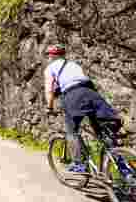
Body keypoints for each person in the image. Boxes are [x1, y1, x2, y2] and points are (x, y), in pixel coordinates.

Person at [44, 44, 123, 173]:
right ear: (63, 55)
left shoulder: (50, 68)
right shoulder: (74, 65)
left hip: (73, 96)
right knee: (102, 132)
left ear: (51, 56)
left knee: (72, 131)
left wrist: (49, 107)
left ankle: (80, 164)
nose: (48, 57)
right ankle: (121, 165)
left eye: (48, 55)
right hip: (91, 93)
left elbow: (49, 90)